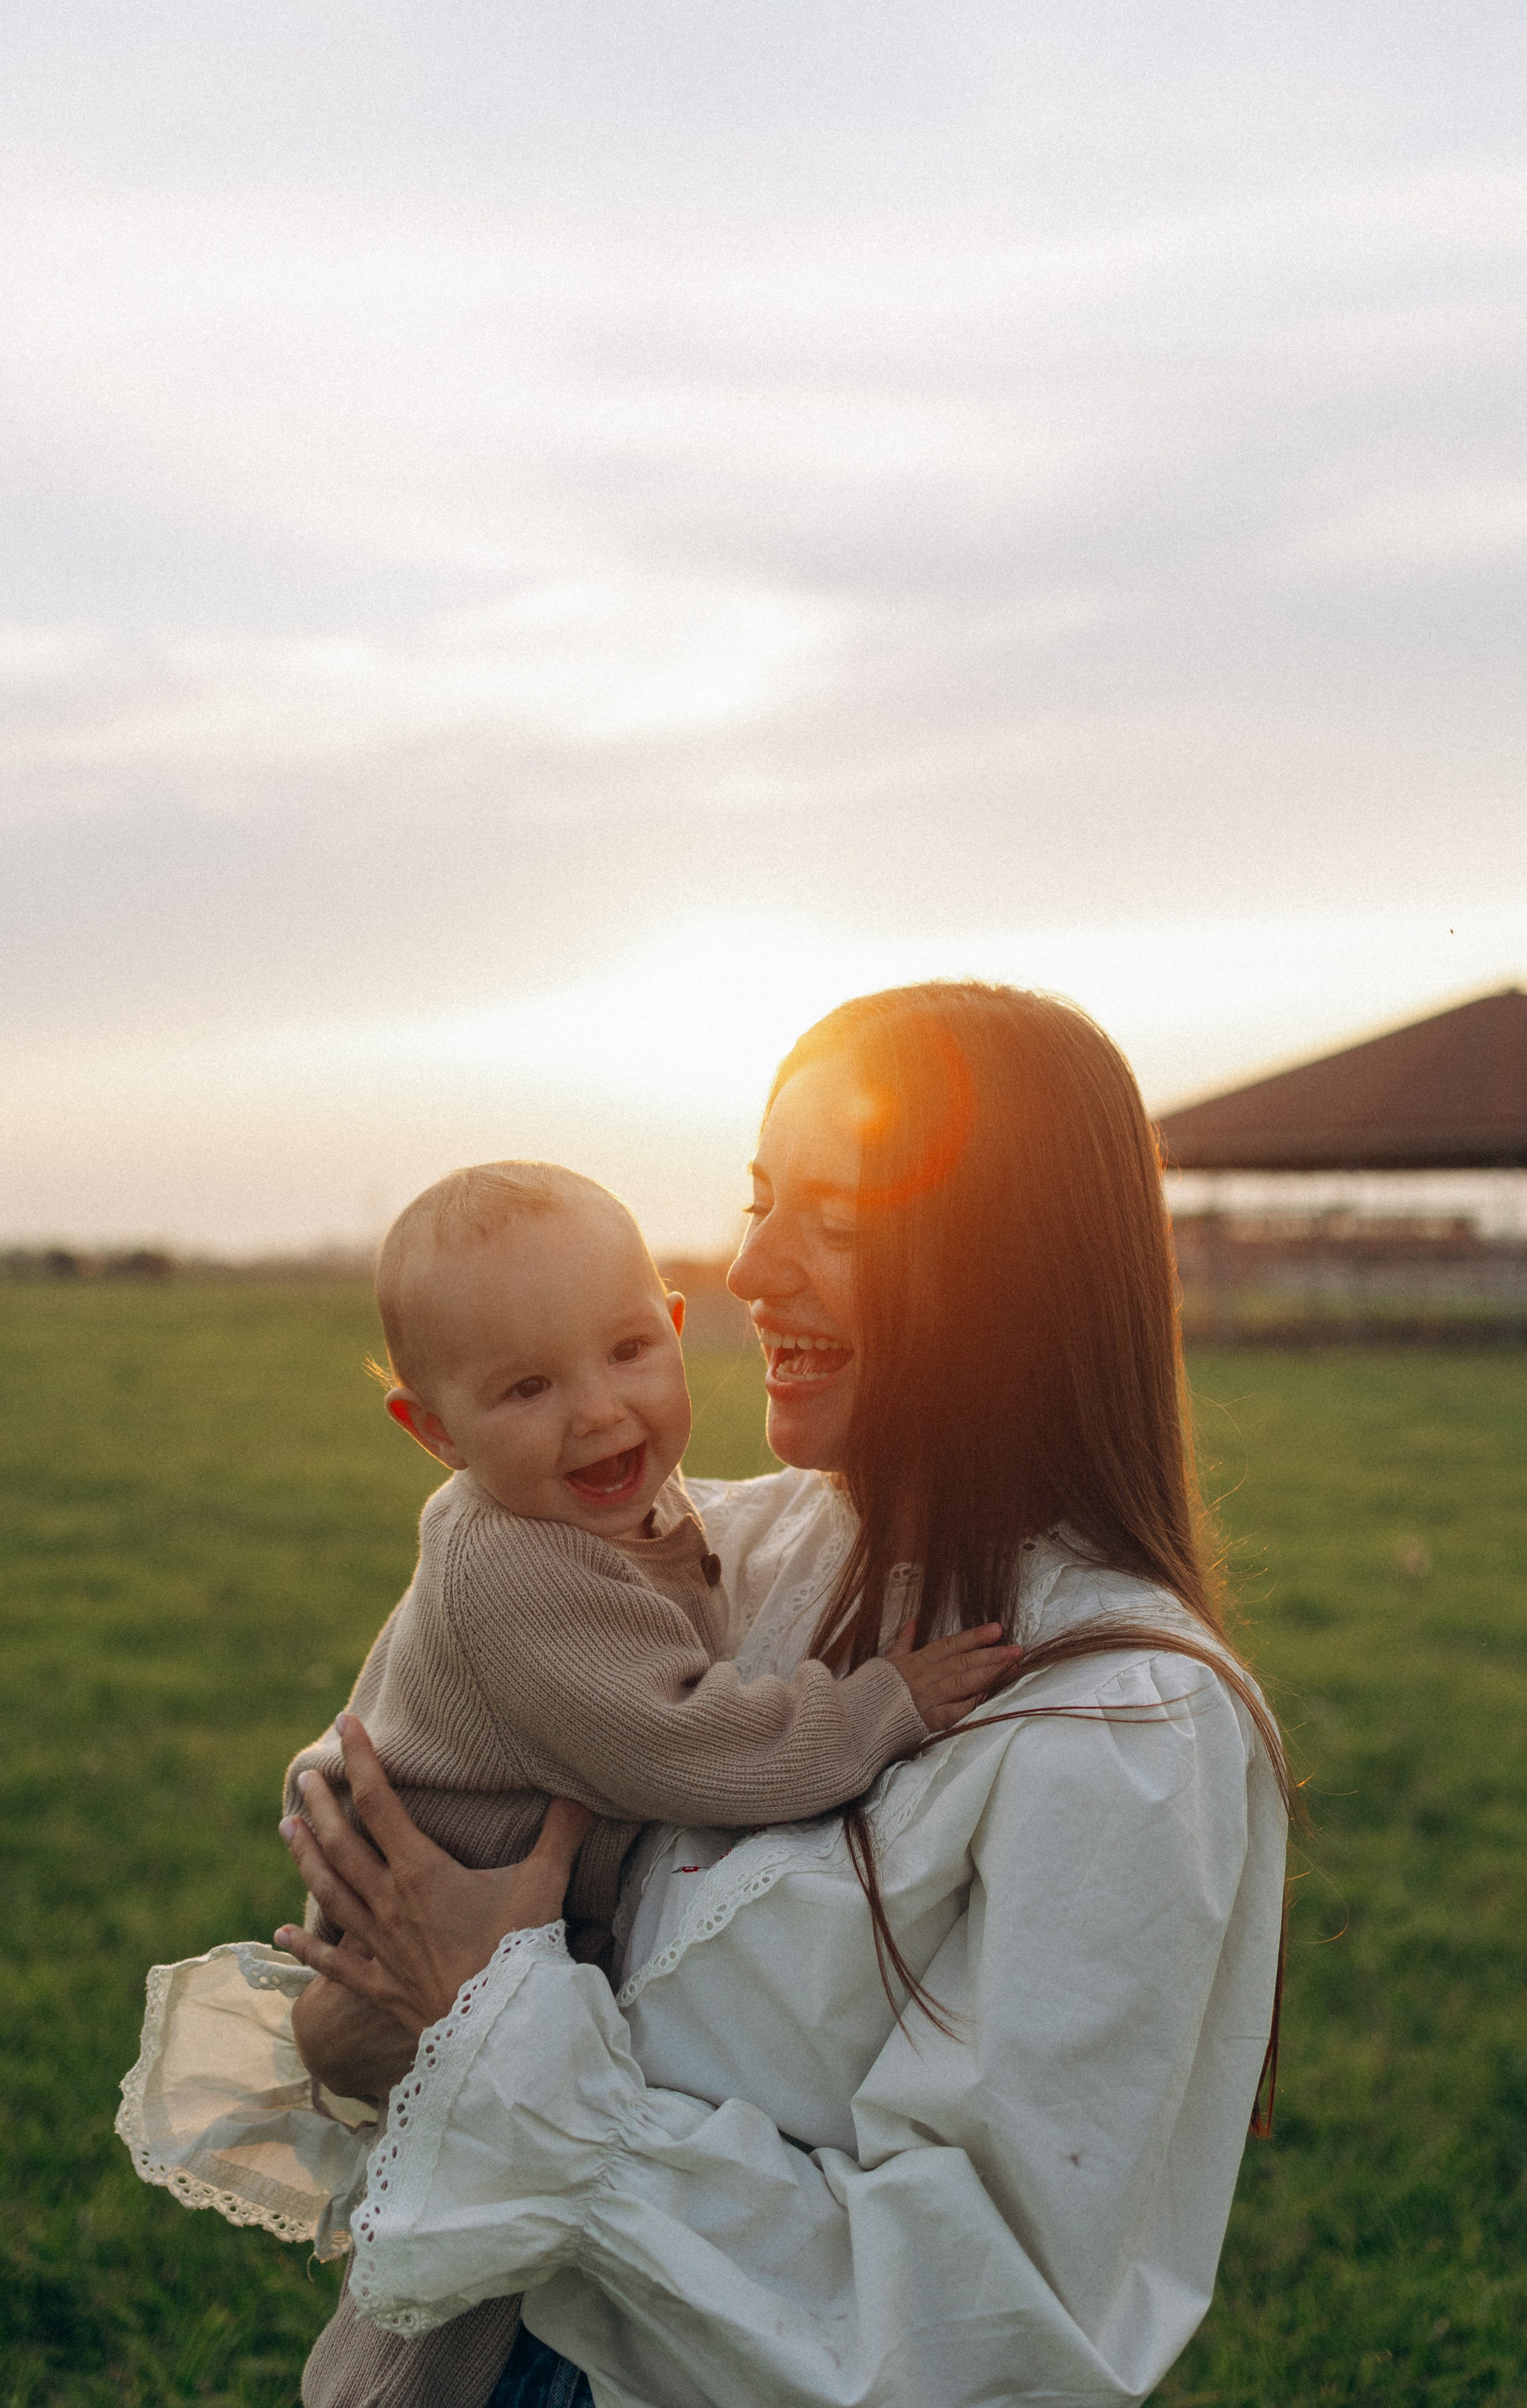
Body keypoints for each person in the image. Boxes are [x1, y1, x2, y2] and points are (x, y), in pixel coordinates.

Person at [277, 980, 1292, 2408]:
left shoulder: (1122, 1730)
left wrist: (480, 2017)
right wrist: (368, 2005)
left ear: (1005, 1271)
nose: (747, 1272)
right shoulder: (719, 1547)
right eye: (761, 1199)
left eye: (835, 1219)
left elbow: (987, 2337)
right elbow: (400, 1796)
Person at [117, 1155, 1016, 2408]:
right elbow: (690, 1744)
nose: (598, 1412)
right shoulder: (517, 1569)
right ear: (433, 1433)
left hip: (499, 1966)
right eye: (527, 1387)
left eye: (627, 1352)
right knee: (474, 2276)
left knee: (490, 2221)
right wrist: (883, 1704)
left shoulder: (611, 1517)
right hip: (431, 1962)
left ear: (673, 1326)